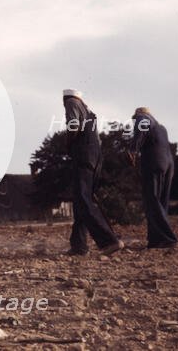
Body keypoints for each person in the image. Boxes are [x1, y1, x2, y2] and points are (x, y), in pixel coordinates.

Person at [63, 89, 123, 256]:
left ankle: (109, 241)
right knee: (82, 201)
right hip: (95, 158)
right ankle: (79, 246)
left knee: (83, 200)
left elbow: (73, 126)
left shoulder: (71, 103)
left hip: (84, 158)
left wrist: (68, 144)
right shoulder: (88, 111)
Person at [127, 107, 178, 249]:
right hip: (168, 164)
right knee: (161, 202)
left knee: (152, 200)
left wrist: (133, 149)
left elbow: (141, 127)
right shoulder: (161, 127)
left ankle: (170, 239)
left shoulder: (142, 118)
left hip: (154, 162)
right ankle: (156, 240)